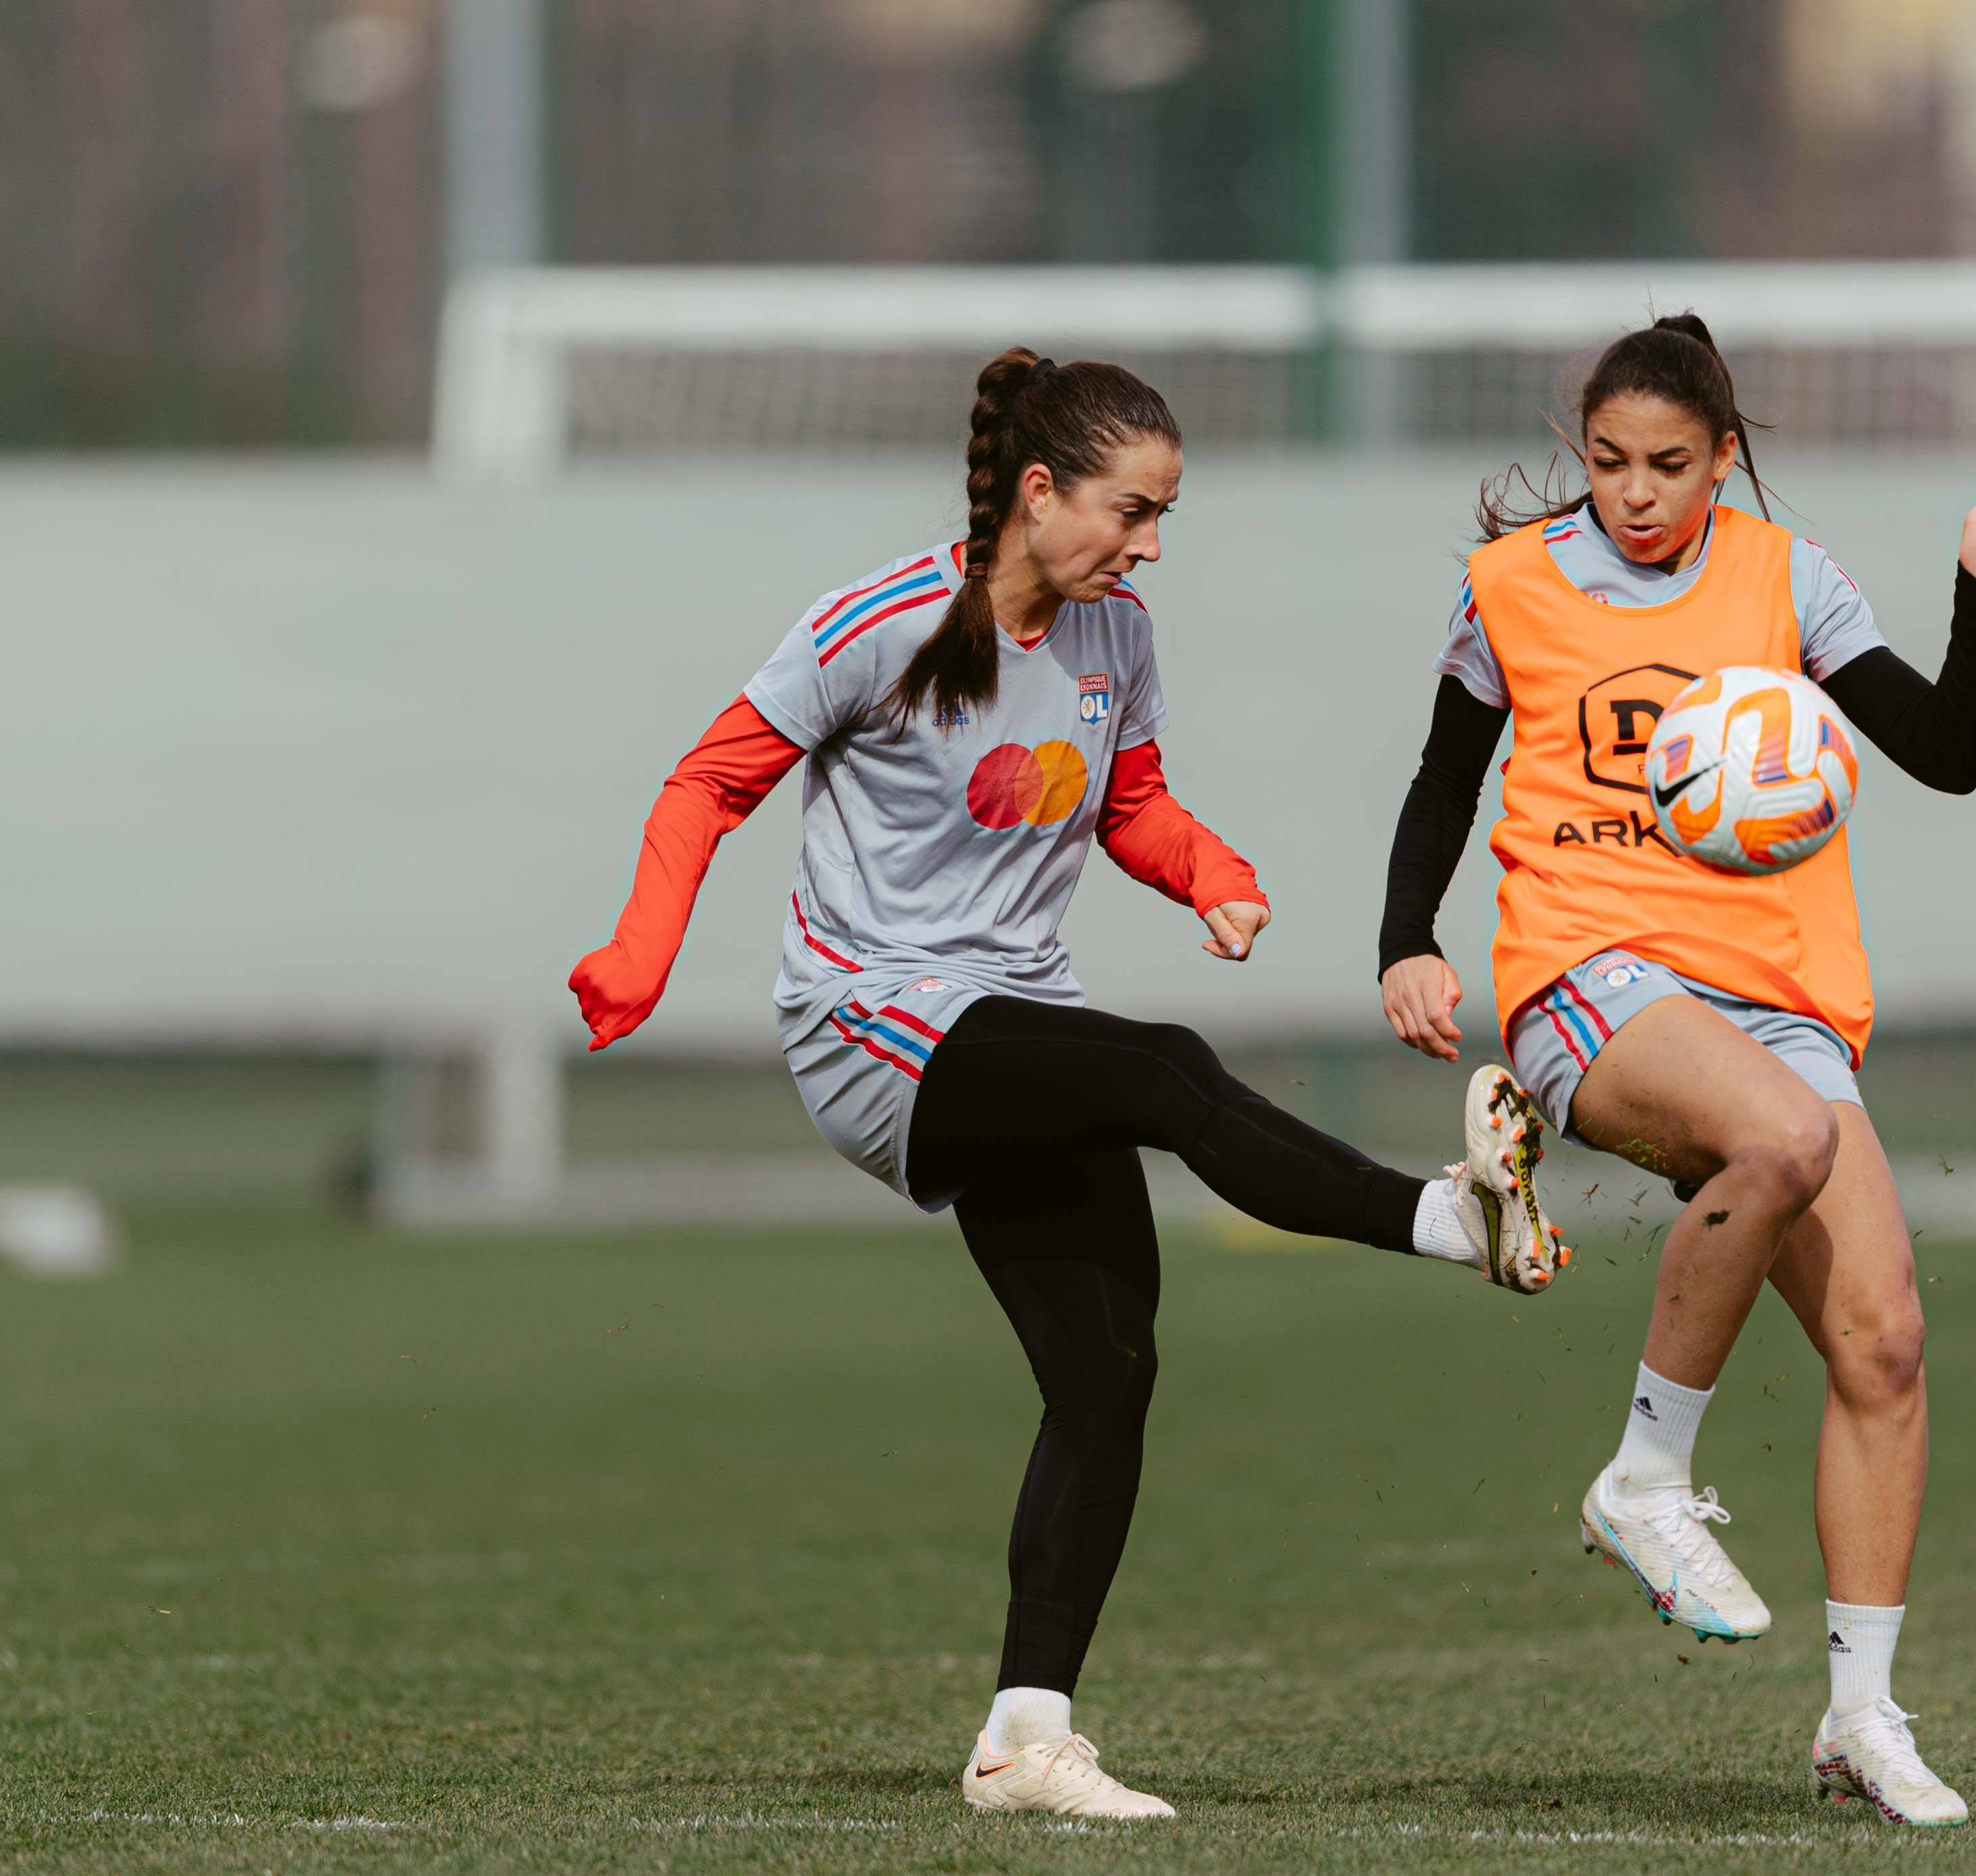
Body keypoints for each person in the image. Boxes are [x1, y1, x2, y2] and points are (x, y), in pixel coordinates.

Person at [568, 348, 1569, 1823]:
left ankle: (1023, 1737)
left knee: (1108, 1374)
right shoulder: (883, 620)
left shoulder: (1116, 634)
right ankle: (1443, 1220)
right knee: (1161, 1067)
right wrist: (640, 948)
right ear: (1037, 494)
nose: (1150, 541)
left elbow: (1133, 802)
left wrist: (1209, 874)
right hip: (872, 1026)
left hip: (1009, 1028)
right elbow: (709, 778)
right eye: (1132, 509)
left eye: (1163, 514)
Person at [1376, 313, 1976, 1827]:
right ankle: (1643, 1474)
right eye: (1610, 461)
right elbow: (1445, 771)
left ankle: (1858, 1718)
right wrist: (1405, 940)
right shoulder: (1509, 588)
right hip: (1588, 975)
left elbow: (1944, 751)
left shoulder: (1784, 577)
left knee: (1883, 1342)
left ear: (1724, 456)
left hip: (1773, 996)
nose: (1635, 493)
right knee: (1781, 1139)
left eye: (1670, 466)